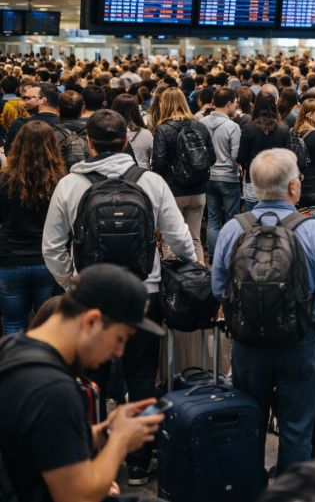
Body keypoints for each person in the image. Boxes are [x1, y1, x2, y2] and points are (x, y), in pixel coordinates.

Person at [42, 109, 197, 485]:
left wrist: (72, 284)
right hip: (145, 293)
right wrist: (189, 264)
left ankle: (91, 457)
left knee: (88, 381)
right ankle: (141, 463)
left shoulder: (70, 185)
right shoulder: (151, 181)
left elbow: (52, 247)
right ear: (126, 141)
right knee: (141, 378)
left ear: (89, 144)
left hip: (89, 300)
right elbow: (178, 238)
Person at [211, 148, 315, 473]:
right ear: (292, 187)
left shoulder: (234, 229)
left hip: (247, 343)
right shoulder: (313, 230)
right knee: (297, 429)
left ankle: (250, 488)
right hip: (301, 339)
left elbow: (219, 287)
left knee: (249, 423)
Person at [0, 264, 168, 502]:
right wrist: (119, 441)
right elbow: (78, 497)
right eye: (119, 338)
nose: (119, 352)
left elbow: (45, 439)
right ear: (91, 322)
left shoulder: (13, 347)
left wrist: (106, 432)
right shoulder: (53, 389)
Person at [0, 121, 63, 335]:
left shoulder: (5, 179)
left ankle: (16, 366)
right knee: (48, 325)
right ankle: (46, 366)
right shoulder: (60, 181)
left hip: (10, 258)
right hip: (47, 260)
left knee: (13, 323)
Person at [152, 87, 215, 264]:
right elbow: (212, 157)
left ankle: (176, 286)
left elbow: (159, 163)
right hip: (198, 191)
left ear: (164, 104)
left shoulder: (162, 129)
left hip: (172, 193)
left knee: (170, 240)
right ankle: (200, 279)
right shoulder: (199, 126)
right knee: (195, 239)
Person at [201, 87, 242, 262]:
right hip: (228, 177)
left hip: (208, 177)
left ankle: (213, 256)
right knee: (232, 219)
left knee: (213, 219)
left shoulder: (201, 123)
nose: (236, 107)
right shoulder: (233, 126)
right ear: (228, 104)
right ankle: (230, 256)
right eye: (235, 103)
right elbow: (235, 157)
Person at [238, 91, 290, 211]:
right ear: (274, 106)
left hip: (254, 179)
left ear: (256, 106)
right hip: (277, 179)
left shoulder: (248, 128)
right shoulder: (283, 129)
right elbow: (288, 156)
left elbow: (241, 157)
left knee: (252, 220)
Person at [6, 82, 60, 149]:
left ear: (43, 100)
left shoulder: (20, 124)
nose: (24, 102)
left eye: (28, 98)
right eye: (24, 98)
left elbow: (9, 151)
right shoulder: (67, 124)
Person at [110, 93, 153, 169]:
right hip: (142, 175)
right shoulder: (146, 134)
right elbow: (154, 159)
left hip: (116, 175)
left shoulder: (108, 134)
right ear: (136, 109)